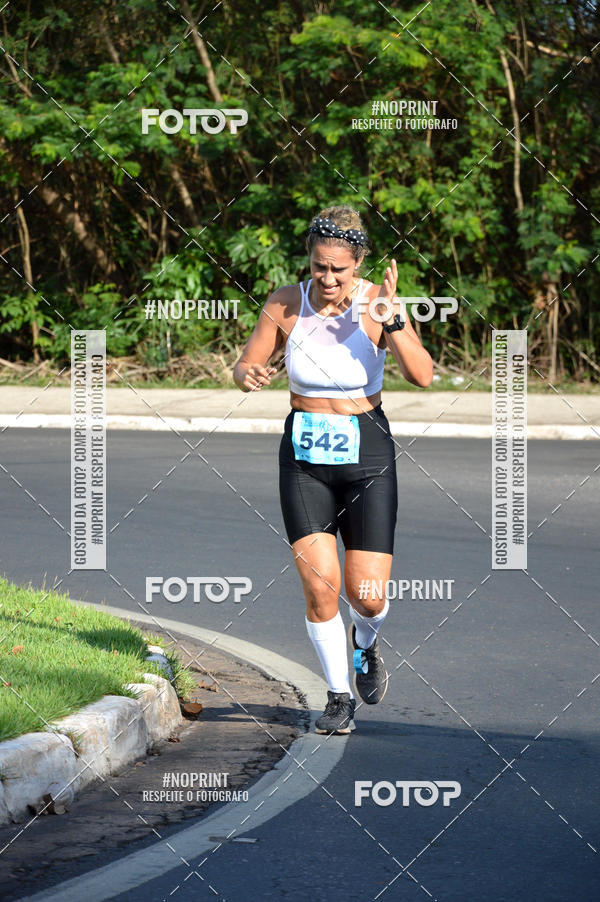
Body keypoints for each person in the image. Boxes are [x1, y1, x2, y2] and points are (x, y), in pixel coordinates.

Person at [233, 206, 433, 734]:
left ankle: (365, 643)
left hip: (367, 454)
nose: (327, 278)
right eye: (319, 266)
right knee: (321, 586)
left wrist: (393, 319)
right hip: (304, 457)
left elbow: (423, 375)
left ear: (358, 263)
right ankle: (338, 697)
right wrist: (247, 373)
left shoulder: (377, 304)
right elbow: (246, 362)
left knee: (367, 596)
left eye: (338, 269)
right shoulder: (285, 302)